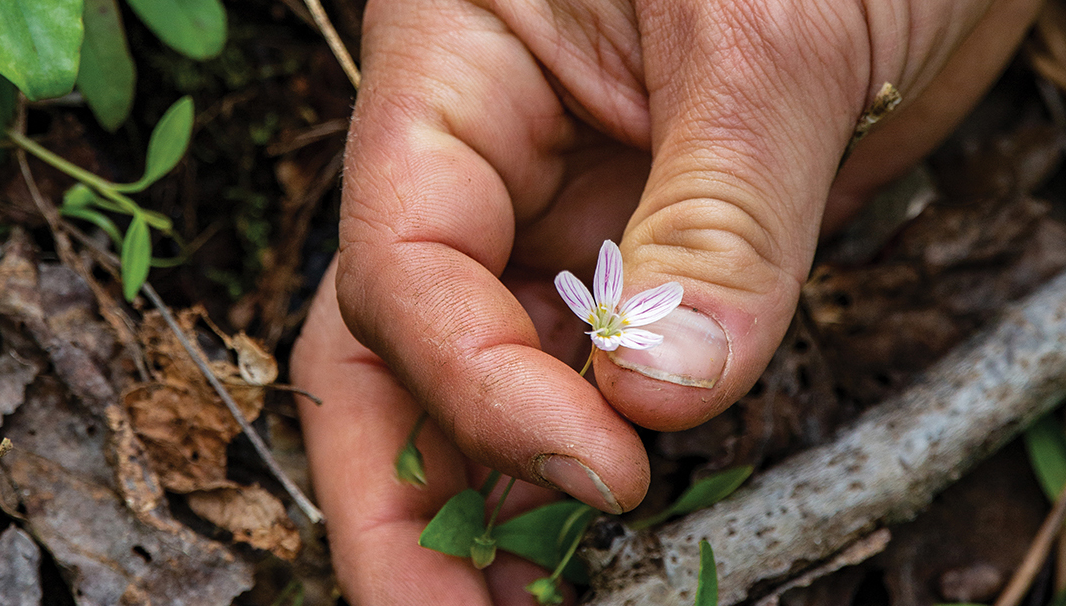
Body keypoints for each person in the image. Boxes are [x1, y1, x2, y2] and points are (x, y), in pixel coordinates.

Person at [290, 0, 1045, 603]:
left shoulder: (614, 319)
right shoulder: (592, 307)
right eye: (605, 318)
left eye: (611, 317)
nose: (611, 322)